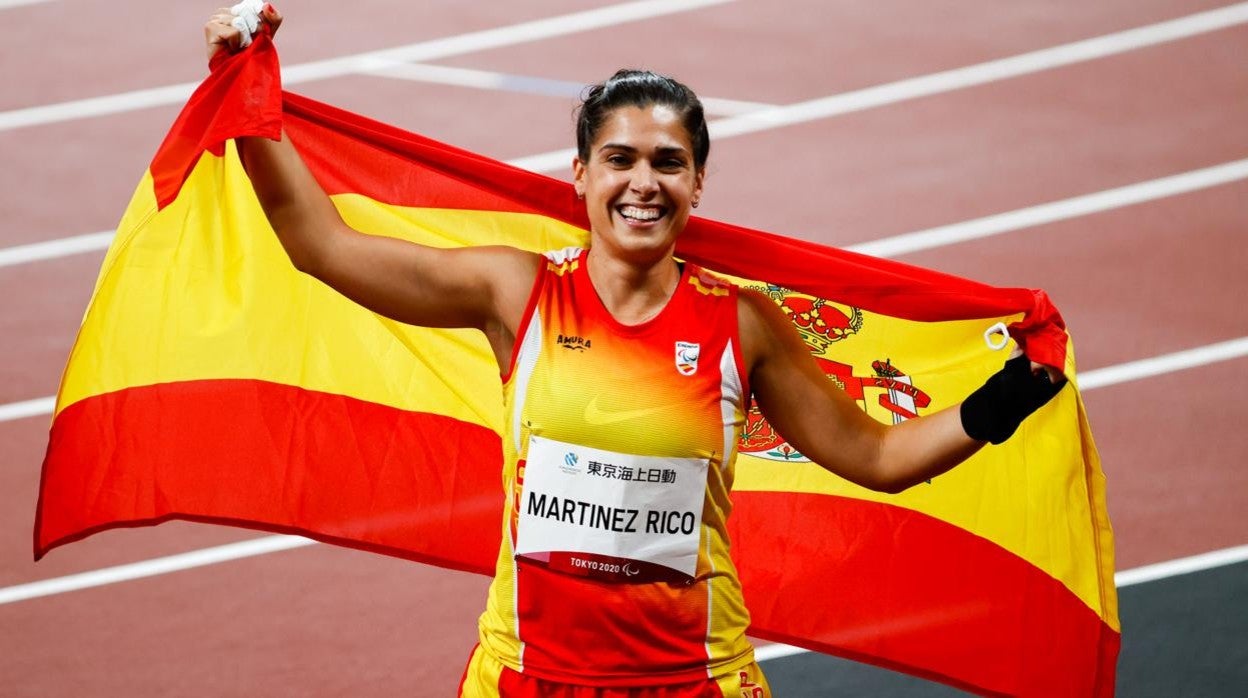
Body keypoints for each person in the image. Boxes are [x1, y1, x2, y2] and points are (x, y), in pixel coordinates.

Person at [205, 6, 1065, 697]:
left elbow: (879, 455)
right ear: (578, 174)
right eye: (618, 159)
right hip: (527, 677)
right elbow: (319, 243)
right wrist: (246, 93)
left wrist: (1005, 398)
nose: (642, 183)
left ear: (697, 182)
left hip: (695, 681)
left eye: (668, 162)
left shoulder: (743, 323)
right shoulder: (518, 294)